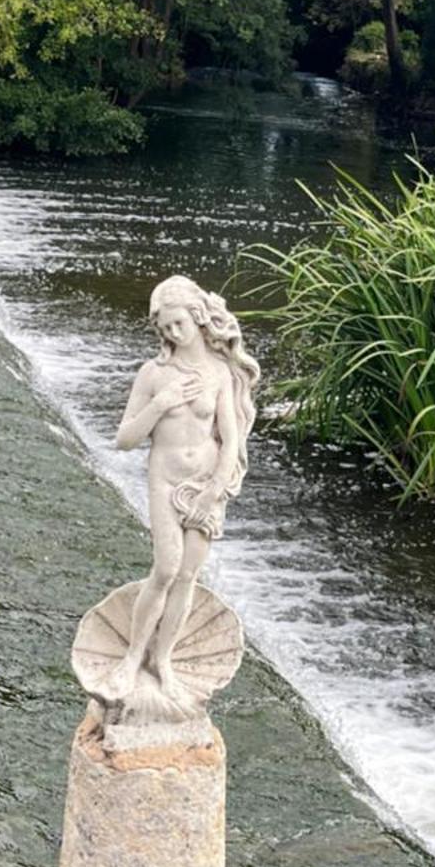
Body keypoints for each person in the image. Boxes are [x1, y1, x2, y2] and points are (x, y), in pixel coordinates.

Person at [101, 275, 258, 706]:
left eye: (178, 324)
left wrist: (213, 492)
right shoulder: (154, 374)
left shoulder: (221, 374)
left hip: (207, 485)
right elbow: (125, 439)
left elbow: (230, 440)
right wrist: (162, 402)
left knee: (188, 575)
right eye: (164, 328)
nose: (172, 333)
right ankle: (133, 657)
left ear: (198, 317)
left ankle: (163, 660)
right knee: (166, 569)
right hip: (165, 481)